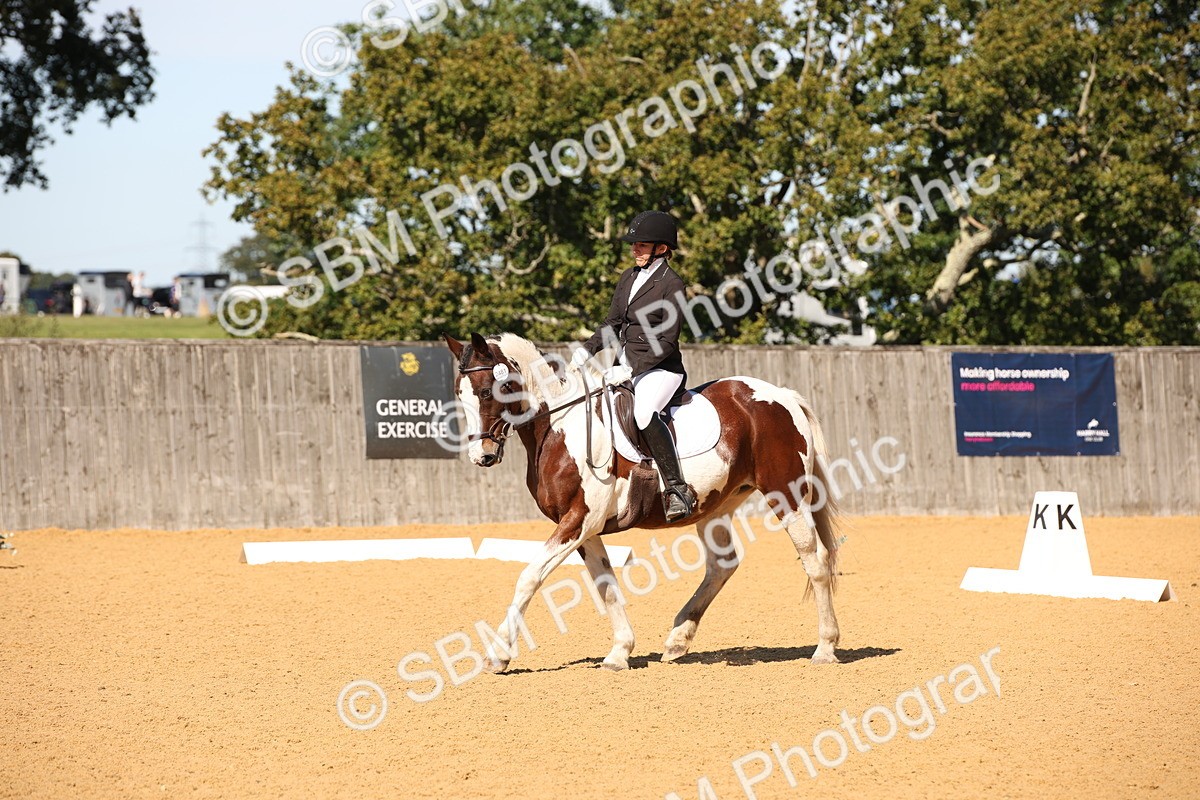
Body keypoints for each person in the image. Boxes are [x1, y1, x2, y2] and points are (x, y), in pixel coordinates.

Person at [573, 210, 696, 522]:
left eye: (641, 245)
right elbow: (613, 324)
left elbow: (667, 341)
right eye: (635, 245)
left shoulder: (672, 285)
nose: (634, 250)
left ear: (662, 248)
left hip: (661, 369)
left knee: (642, 412)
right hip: (624, 364)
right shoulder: (628, 276)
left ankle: (677, 489)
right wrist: (587, 350)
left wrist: (631, 369)